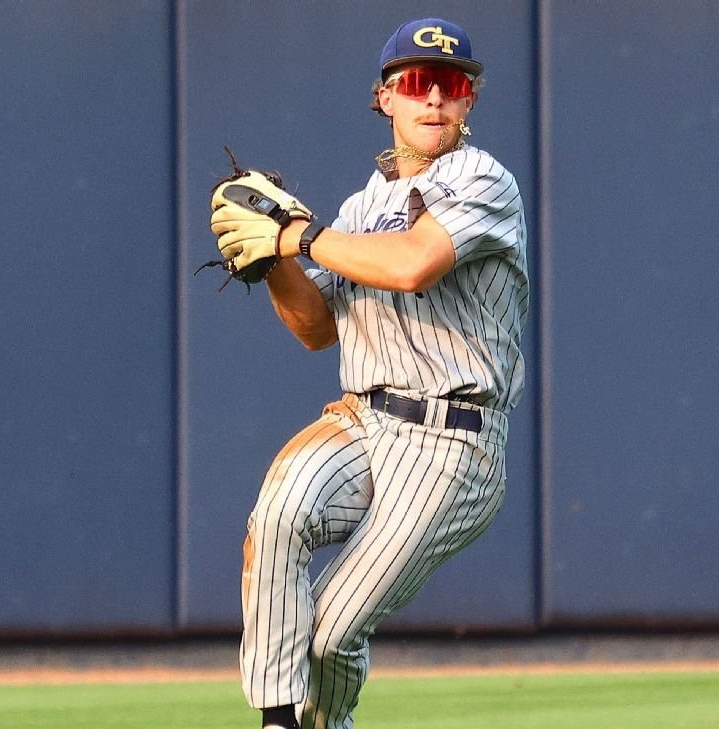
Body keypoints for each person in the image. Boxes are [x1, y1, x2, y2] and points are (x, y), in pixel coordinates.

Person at [208, 17, 529, 729]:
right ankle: (274, 719)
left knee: (330, 631)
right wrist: (275, 263)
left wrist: (300, 236)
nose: (434, 99)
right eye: (417, 83)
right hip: (364, 418)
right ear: (386, 97)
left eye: (450, 84)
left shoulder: (484, 179)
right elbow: (318, 329)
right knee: (280, 514)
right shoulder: (361, 206)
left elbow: (413, 265)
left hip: (455, 442)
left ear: (470, 100)